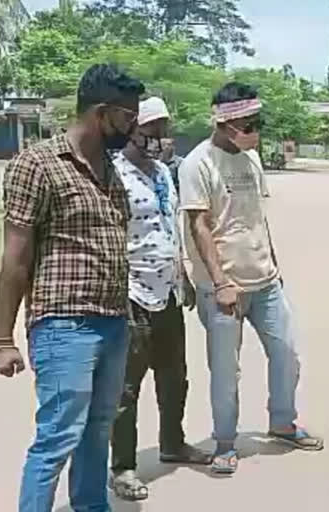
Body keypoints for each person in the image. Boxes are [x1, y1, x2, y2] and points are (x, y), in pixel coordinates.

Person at [0, 63, 144, 512]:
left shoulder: (110, 169)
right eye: (127, 117)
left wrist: (127, 319)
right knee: (58, 436)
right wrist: (3, 339)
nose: (133, 127)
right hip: (63, 326)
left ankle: (91, 506)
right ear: (101, 112)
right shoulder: (36, 165)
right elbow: (15, 257)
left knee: (98, 431)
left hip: (113, 323)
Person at [179, 82, 323, 476]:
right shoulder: (197, 164)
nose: (254, 130)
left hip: (265, 281)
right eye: (248, 123)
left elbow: (254, 217)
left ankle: (282, 422)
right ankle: (225, 442)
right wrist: (221, 282)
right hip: (223, 289)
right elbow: (199, 226)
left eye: (256, 123)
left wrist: (273, 263)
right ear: (225, 122)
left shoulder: (251, 158)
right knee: (226, 370)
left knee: (287, 353)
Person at [109, 97, 211, 501]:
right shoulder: (114, 174)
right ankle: (124, 467)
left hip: (167, 289)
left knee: (175, 377)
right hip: (132, 291)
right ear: (131, 131)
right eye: (151, 130)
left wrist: (182, 273)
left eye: (163, 130)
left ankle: (173, 442)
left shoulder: (164, 174)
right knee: (127, 387)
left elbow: (170, 227)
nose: (159, 138)